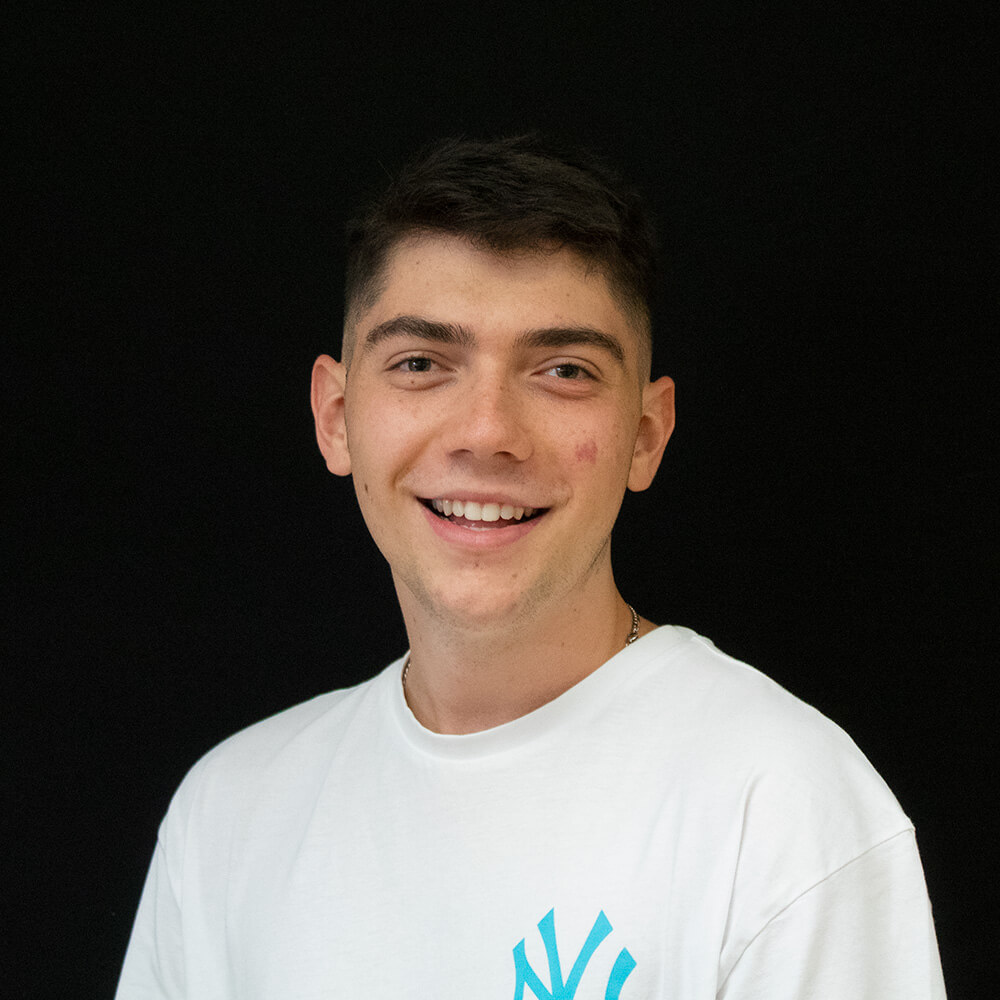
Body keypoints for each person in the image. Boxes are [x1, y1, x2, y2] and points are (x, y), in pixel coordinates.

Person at [117, 135, 946, 998]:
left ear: (646, 434)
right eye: (421, 364)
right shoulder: (229, 814)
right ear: (336, 415)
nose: (487, 432)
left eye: (562, 370)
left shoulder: (779, 807)